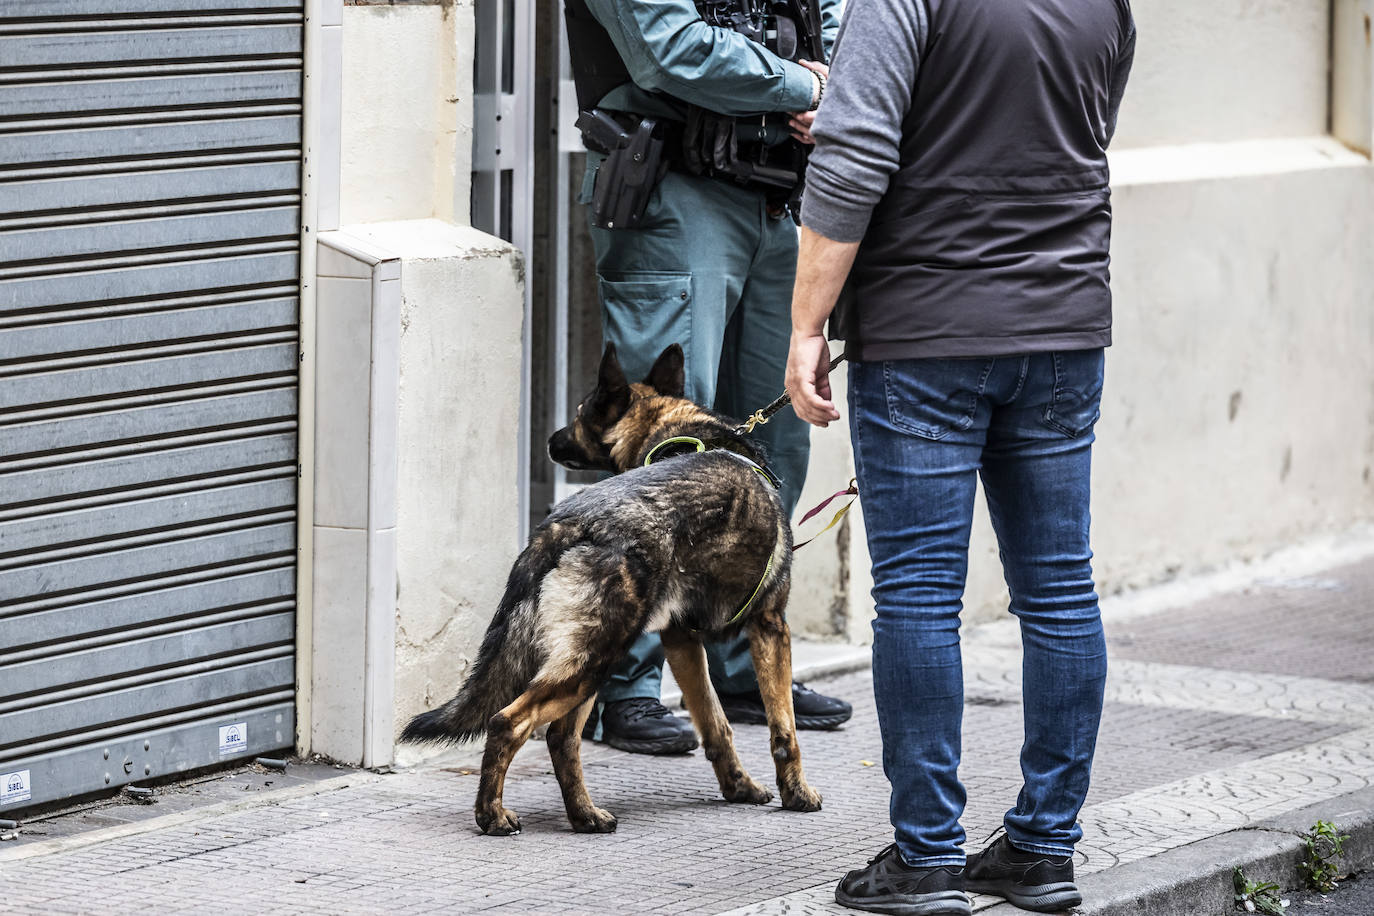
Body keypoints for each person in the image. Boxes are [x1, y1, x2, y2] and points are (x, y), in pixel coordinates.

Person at [784, 0, 1136, 913]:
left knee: (918, 597)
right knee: (1060, 586)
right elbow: (1069, 126)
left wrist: (807, 324)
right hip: (1061, 323)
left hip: (926, 325)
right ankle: (1044, 848)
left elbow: (856, 160)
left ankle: (928, 856)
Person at [565, 0, 853, 755]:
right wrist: (803, 85)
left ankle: (742, 663)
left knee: (768, 449)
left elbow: (837, 18)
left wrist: (840, 93)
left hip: (775, 197)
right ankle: (618, 688)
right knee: (655, 449)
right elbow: (668, 47)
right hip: (675, 190)